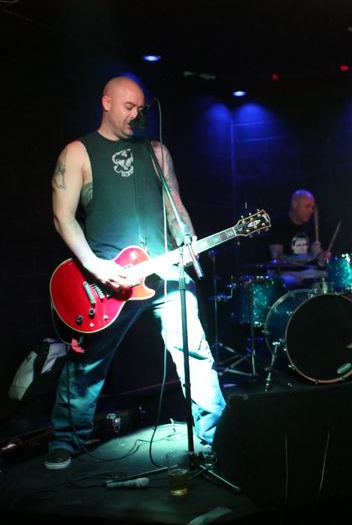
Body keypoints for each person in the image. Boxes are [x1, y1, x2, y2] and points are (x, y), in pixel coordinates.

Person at [47, 76, 226, 470]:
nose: (135, 115)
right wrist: (95, 266)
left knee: (195, 352)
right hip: (108, 281)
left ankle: (217, 435)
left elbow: (174, 203)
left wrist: (188, 240)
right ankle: (66, 439)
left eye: (140, 109)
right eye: (128, 107)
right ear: (106, 103)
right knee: (88, 364)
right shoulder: (78, 152)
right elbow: (63, 218)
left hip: (164, 270)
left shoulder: (157, 152)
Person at [267, 189, 330, 288]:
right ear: (295, 204)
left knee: (324, 278)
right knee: (287, 281)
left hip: (307, 272)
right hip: (286, 273)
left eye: (312, 207)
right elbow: (277, 259)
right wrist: (308, 257)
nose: (311, 211)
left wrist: (322, 256)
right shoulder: (278, 225)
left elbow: (316, 256)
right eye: (307, 206)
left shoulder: (314, 226)